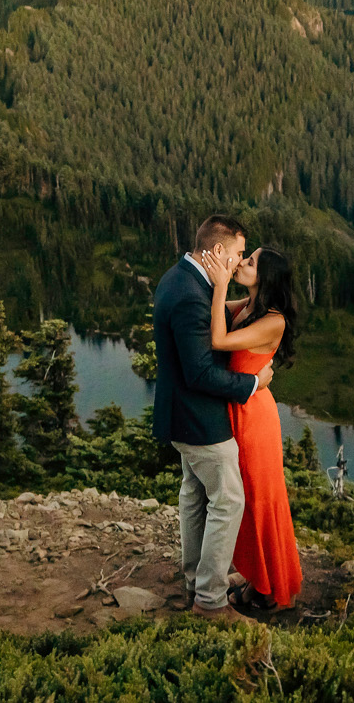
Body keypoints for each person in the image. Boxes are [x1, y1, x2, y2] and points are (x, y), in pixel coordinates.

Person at [150, 215, 272, 623]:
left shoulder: (181, 276)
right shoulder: (191, 294)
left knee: (194, 495)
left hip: (180, 414)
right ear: (217, 251)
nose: (239, 262)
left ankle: (197, 578)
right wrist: (254, 383)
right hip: (199, 419)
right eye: (237, 253)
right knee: (228, 498)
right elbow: (200, 372)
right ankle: (211, 601)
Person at [201, 243, 304, 611]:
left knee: (261, 499)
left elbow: (218, 339)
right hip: (238, 408)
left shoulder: (272, 320)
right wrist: (217, 274)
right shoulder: (248, 307)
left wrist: (219, 284)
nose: (243, 263)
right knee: (242, 498)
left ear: (267, 277)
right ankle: (257, 576)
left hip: (254, 418)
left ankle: (271, 589)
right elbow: (210, 314)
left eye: (250, 262)